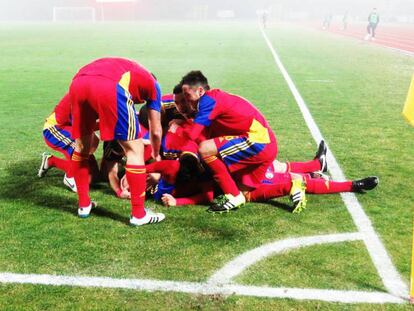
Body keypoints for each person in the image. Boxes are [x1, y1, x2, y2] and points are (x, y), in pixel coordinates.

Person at [68, 57, 164, 226]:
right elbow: (155, 130)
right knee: (135, 150)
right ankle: (139, 214)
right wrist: (156, 155)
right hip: (110, 86)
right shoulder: (153, 85)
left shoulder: (131, 69)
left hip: (78, 83)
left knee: (82, 147)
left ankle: (83, 205)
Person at [175, 71, 278, 213]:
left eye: (187, 96)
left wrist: (178, 127)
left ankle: (233, 196)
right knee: (245, 195)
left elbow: (193, 135)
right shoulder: (214, 98)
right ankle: (305, 183)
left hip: (258, 142)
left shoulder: (207, 101)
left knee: (205, 149)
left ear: (200, 91)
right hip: (264, 143)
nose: (187, 101)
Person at [38, 93, 99, 192]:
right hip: (54, 128)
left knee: (93, 176)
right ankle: (69, 177)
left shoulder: (98, 95)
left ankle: (51, 161)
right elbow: (80, 127)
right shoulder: (83, 95)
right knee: (79, 154)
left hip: (70, 127)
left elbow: (87, 125)